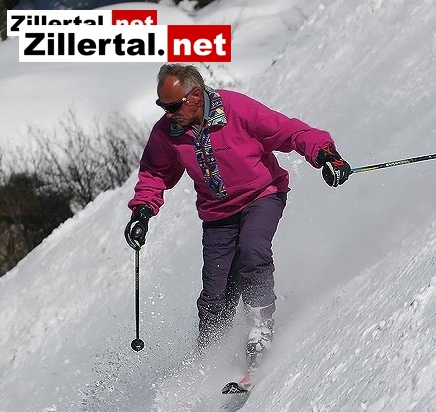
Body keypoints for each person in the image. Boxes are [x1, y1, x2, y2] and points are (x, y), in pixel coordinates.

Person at [125, 64, 350, 361]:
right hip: (218, 214)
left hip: (262, 195)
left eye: (173, 106)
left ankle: (260, 326)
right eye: (162, 106)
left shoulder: (236, 110)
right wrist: (142, 212)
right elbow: (155, 172)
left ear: (195, 96)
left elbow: (288, 131)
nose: (168, 114)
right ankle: (210, 354)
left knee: (252, 249)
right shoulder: (168, 132)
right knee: (215, 292)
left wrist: (327, 155)